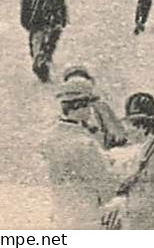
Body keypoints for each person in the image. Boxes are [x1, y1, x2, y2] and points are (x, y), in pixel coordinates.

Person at [101, 93, 154, 230]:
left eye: (129, 125)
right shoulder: (149, 149)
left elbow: (151, 202)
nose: (126, 131)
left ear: (141, 126)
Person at [41, 76, 116, 226]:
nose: (91, 110)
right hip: (88, 214)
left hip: (61, 209)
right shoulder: (85, 144)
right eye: (88, 106)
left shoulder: (49, 137)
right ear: (79, 106)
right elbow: (104, 182)